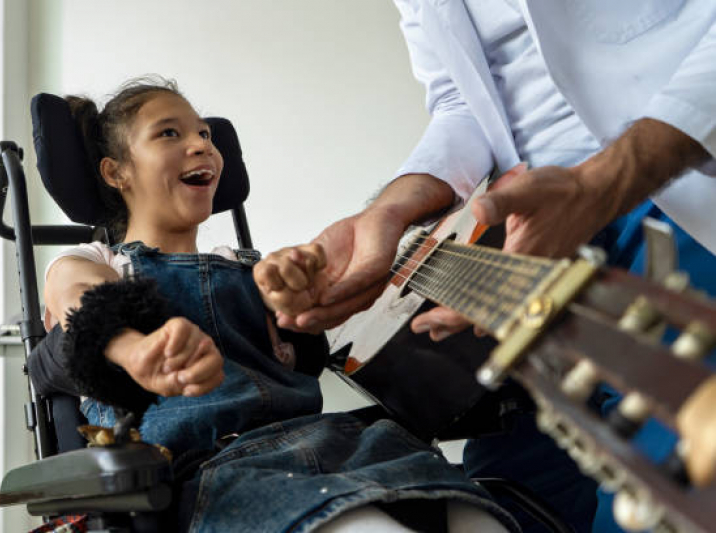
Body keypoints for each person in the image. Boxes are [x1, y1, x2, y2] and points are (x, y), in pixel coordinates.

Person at [267, 2, 716, 532]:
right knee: (502, 503)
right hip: (528, 244)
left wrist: (601, 184)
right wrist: (388, 212)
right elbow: (461, 101)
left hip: (677, 195)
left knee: (661, 493)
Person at [34, 77, 521, 533]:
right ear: (115, 171)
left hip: (330, 440)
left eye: (205, 133)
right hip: (208, 471)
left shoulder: (246, 266)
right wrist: (136, 352)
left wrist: (298, 302)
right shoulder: (97, 261)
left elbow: (304, 353)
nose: (202, 144)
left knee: (475, 516)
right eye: (169, 133)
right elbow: (84, 307)